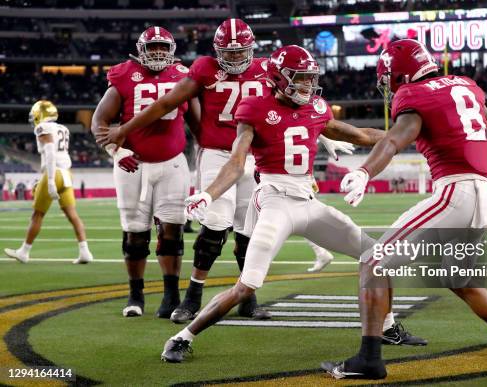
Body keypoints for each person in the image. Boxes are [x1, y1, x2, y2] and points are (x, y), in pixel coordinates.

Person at [159, 45, 426, 363]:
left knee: (376, 256)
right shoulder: (255, 108)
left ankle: (388, 327)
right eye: (299, 79)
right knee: (247, 285)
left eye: (310, 79)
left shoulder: (316, 107)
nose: (307, 86)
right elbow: (235, 162)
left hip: (307, 202)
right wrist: (209, 193)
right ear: (277, 78)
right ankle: (181, 337)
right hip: (275, 203)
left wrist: (415, 136)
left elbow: (362, 135)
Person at [96, 19, 345, 323]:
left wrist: (321, 134)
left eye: (241, 52)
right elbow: (165, 104)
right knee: (214, 224)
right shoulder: (204, 68)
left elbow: (289, 105)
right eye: (229, 52)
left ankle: (248, 298)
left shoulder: (269, 70)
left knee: (248, 229)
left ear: (252, 48)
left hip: (253, 155)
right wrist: (126, 129)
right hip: (215, 153)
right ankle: (192, 297)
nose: (237, 58)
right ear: (216, 50)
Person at [322, 39, 487, 379]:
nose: (390, 86)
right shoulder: (464, 86)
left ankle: (369, 358)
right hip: (483, 195)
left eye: (391, 78)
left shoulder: (414, 95)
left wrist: (365, 172)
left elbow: (393, 140)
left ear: (401, 75)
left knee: (373, 261)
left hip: (455, 192)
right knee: (459, 277)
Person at [91, 26, 200, 318]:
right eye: (153, 48)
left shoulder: (184, 76)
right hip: (132, 166)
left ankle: (171, 296)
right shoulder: (124, 75)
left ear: (172, 50)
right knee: (135, 236)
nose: (158, 53)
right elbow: (99, 121)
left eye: (163, 47)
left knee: (172, 233)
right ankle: (135, 294)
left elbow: (199, 125)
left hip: (173, 163)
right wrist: (117, 150)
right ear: (141, 50)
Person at [4, 101, 94, 264]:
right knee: (72, 215)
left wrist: (50, 180)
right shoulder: (63, 128)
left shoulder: (43, 128)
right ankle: (85, 251)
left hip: (55, 173)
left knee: (37, 215)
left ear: (40, 115)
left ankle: (24, 252)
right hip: (67, 173)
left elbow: (51, 152)